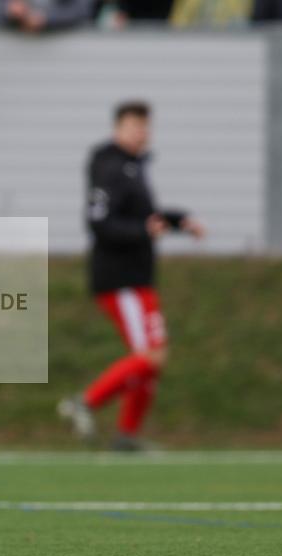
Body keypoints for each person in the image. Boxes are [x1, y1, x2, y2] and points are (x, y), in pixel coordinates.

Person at [58, 100, 204, 451]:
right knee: (151, 355)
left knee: (152, 360)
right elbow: (100, 222)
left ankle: (126, 435)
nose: (143, 133)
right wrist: (144, 230)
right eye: (136, 126)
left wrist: (177, 220)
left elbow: (144, 216)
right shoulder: (110, 166)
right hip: (120, 277)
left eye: (146, 127)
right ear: (119, 128)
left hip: (139, 276)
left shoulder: (133, 167)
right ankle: (86, 403)